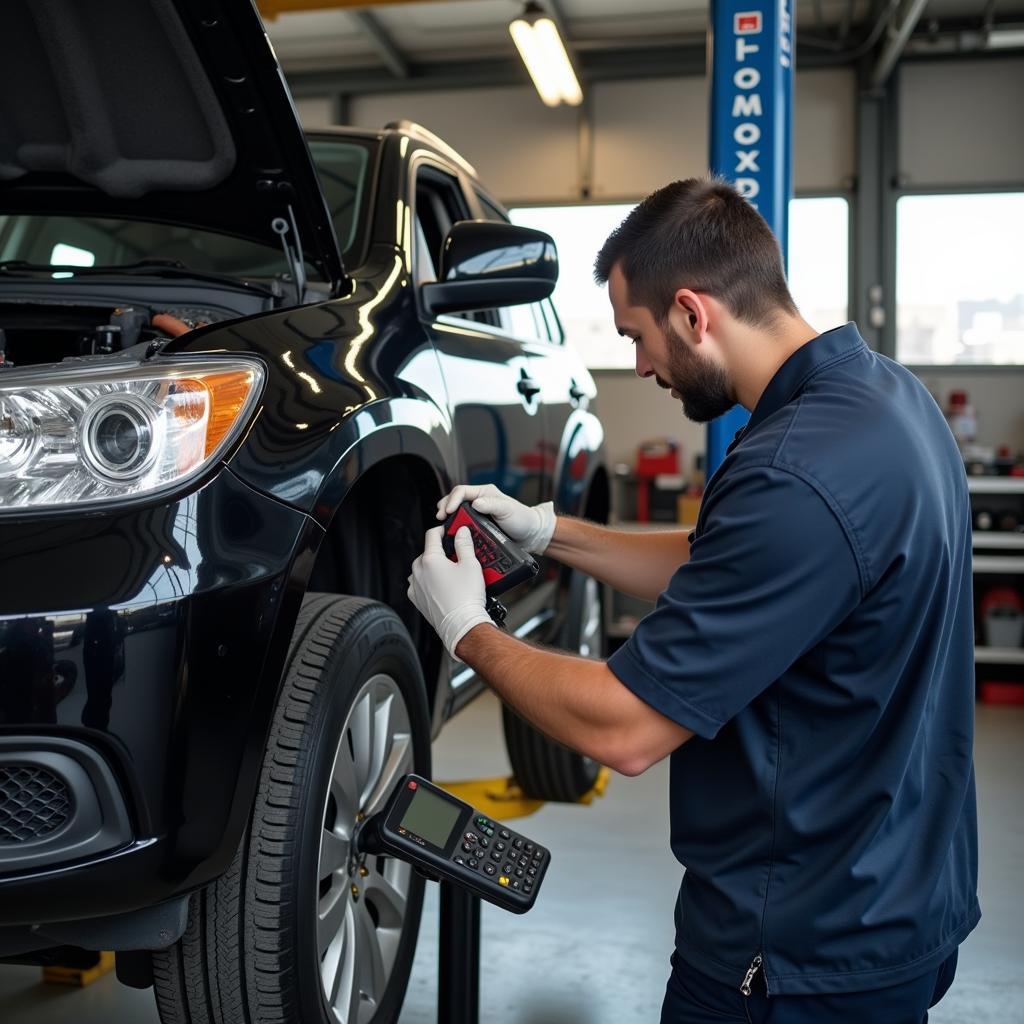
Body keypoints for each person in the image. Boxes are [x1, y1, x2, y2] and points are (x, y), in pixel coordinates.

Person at [407, 178, 979, 1023]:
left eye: (637, 336)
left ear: (691, 312)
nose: (638, 365)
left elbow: (626, 730)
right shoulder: (885, 402)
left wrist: (467, 630)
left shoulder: (794, 473)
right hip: (896, 902)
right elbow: (730, 570)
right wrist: (550, 532)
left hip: (789, 954)